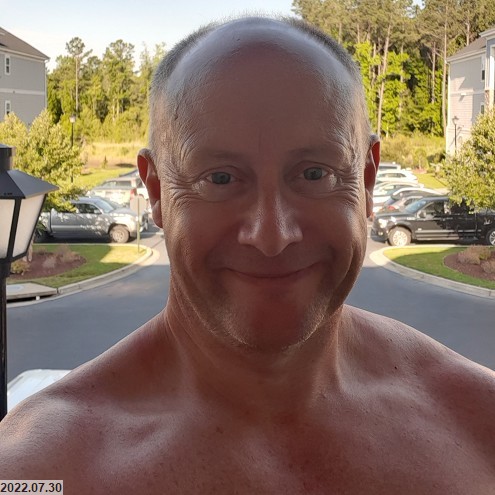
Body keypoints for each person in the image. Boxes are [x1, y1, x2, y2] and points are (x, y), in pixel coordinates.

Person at [1, 16, 494, 494]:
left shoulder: (478, 419)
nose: (272, 236)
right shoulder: (38, 470)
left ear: (366, 180)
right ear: (156, 190)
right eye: (219, 179)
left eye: (315, 174)